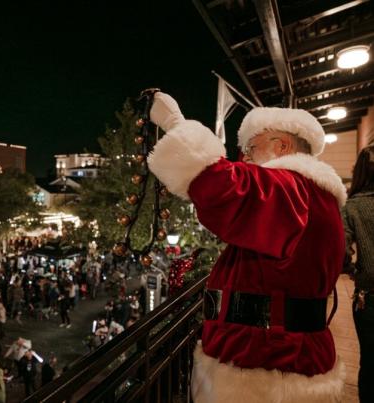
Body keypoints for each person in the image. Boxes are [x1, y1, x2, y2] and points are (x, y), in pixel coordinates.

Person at [148, 92, 346, 402]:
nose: (244, 157)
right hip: (284, 354)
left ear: (282, 146)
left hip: (265, 362)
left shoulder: (291, 188)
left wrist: (176, 124)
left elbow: (221, 186)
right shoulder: (314, 195)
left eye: (251, 148)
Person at [342, 145, 374, 402]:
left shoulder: (352, 206)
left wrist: (353, 271)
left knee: (371, 364)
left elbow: (339, 250)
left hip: (369, 297)